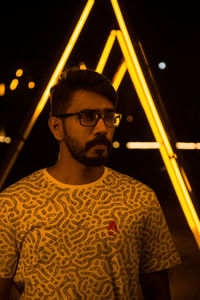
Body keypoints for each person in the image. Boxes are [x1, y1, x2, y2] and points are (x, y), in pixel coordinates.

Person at [0, 66, 181, 300]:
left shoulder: (140, 199)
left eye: (108, 116)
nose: (102, 128)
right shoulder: (14, 203)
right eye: (87, 117)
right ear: (57, 127)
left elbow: (158, 292)